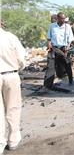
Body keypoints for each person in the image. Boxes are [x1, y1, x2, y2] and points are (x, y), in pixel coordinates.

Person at [0, 21, 26, 153]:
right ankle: (13, 140)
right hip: (10, 75)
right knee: (13, 108)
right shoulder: (10, 37)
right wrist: (16, 70)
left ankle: (0, 143)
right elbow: (21, 59)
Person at [44, 12, 74, 88]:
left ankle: (71, 81)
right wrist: (49, 43)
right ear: (57, 19)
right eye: (62, 19)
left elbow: (70, 39)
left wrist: (68, 47)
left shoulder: (67, 27)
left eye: (64, 19)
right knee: (50, 66)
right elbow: (49, 38)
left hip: (63, 48)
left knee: (67, 64)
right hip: (54, 48)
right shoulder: (52, 26)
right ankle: (48, 85)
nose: (63, 20)